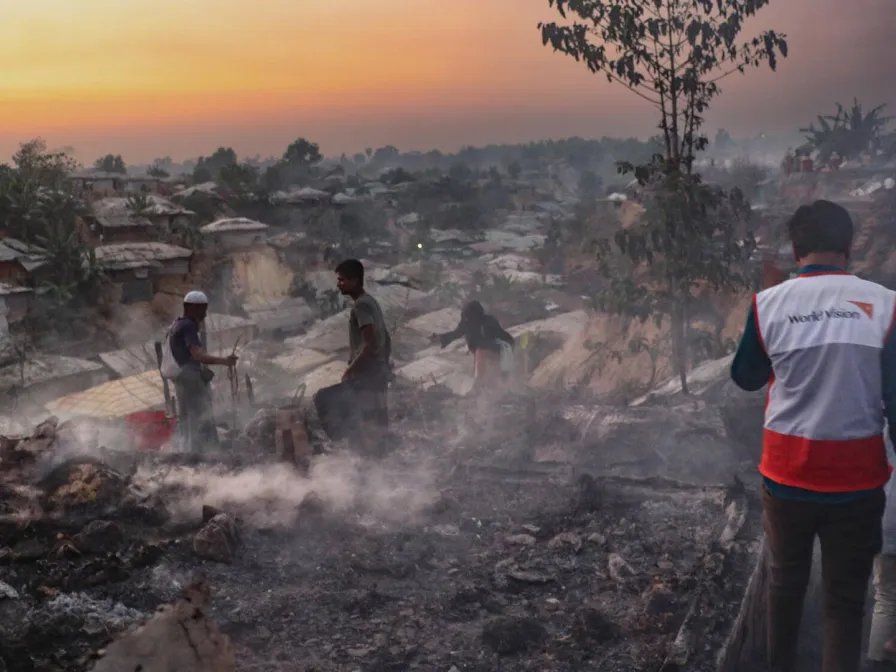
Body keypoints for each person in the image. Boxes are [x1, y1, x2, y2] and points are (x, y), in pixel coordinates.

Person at [730, 200, 896, 672]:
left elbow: (745, 376)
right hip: (858, 481)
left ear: (796, 249)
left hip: (787, 476)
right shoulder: (884, 305)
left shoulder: (770, 303)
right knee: (844, 601)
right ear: (847, 248)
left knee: (784, 584)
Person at [168, 291, 237, 453]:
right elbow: (197, 355)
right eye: (202, 309)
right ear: (192, 308)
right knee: (202, 416)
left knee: (188, 418)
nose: (205, 314)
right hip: (191, 377)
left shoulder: (176, 324)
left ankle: (189, 453)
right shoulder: (188, 325)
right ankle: (207, 454)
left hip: (182, 378)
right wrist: (225, 361)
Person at [336, 259, 391, 429]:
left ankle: (374, 453)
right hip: (378, 369)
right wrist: (384, 363)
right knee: (380, 416)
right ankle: (385, 451)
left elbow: (371, 343)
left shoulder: (360, 306)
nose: (339, 284)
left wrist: (350, 369)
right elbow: (386, 338)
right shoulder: (371, 301)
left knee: (368, 419)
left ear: (355, 280)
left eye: (342, 280)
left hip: (367, 373)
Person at [432, 301, 514, 391]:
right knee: (487, 374)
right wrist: (440, 338)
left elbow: (503, 337)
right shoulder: (467, 323)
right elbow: (456, 333)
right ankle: (484, 390)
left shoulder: (487, 321)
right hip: (486, 351)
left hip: (492, 351)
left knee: (486, 372)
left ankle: (479, 390)